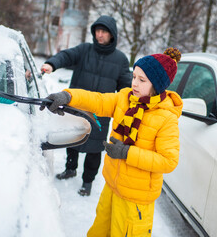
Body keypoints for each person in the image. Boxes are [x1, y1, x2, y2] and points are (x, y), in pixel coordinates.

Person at [40, 47, 183, 236]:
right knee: (98, 231)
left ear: (156, 85)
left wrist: (126, 153)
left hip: (136, 200)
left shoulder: (166, 118)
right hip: (112, 187)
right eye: (134, 77)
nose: (135, 84)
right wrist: (68, 96)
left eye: (142, 80)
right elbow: (97, 100)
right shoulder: (125, 98)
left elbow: (168, 161)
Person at [41, 15, 131, 196]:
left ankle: (87, 182)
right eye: (97, 30)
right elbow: (67, 55)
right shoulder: (84, 50)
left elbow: (125, 86)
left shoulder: (120, 59)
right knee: (72, 139)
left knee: (95, 148)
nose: (100, 34)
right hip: (78, 105)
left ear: (112, 34)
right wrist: (52, 64)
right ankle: (70, 168)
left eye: (104, 31)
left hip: (101, 111)